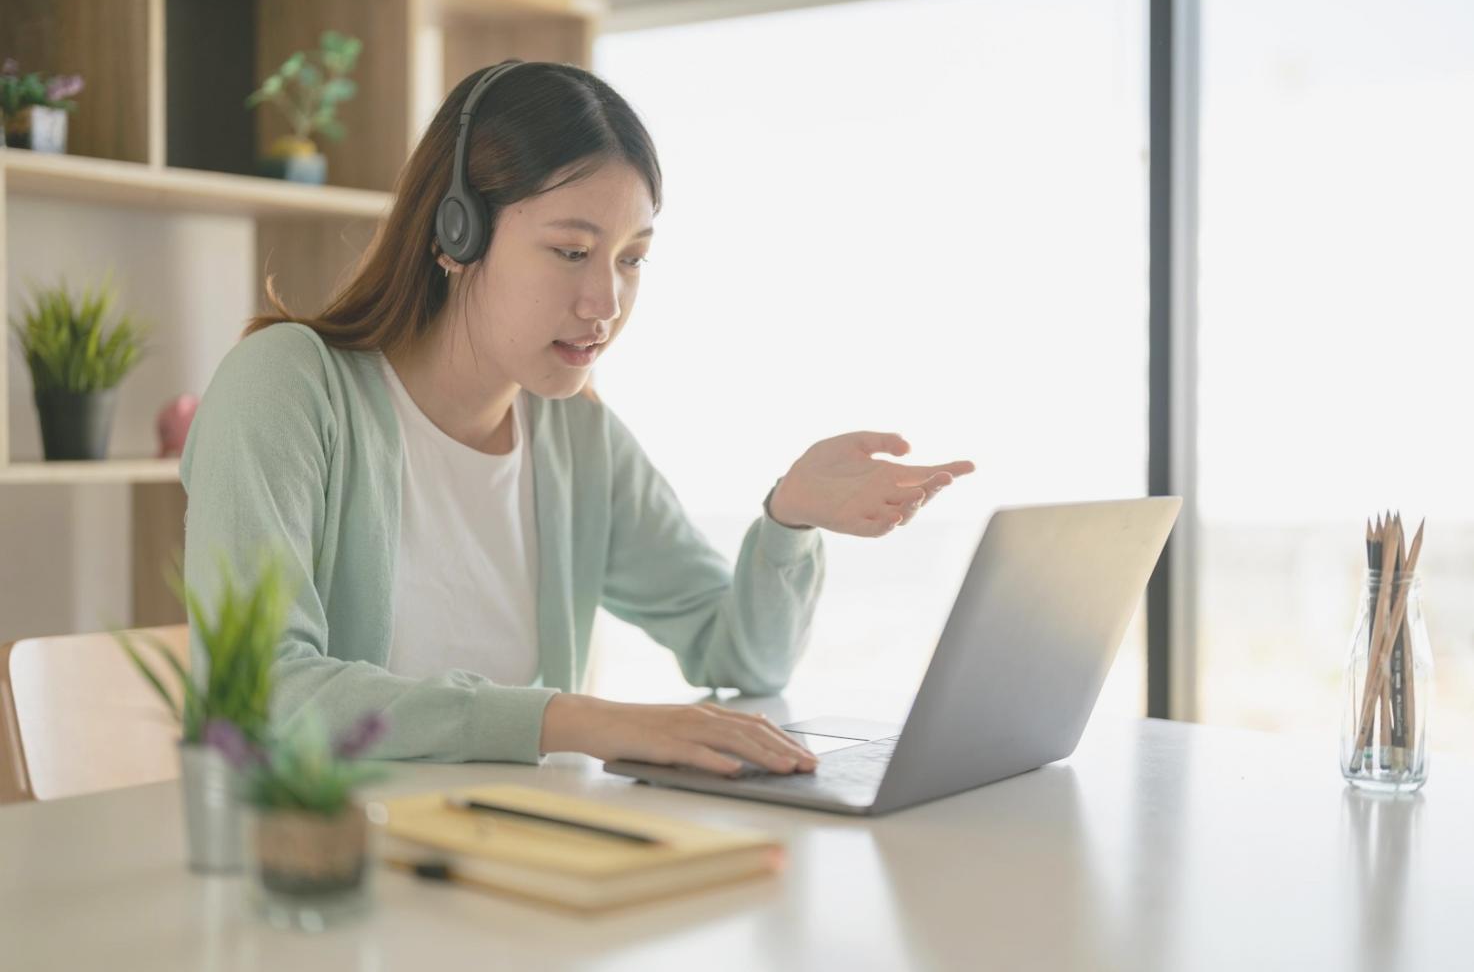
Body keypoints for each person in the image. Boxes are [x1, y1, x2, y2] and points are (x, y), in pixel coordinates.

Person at [181, 60, 975, 777]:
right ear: (455, 232)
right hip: (318, 883)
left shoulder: (575, 438)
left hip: (512, 872)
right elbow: (259, 691)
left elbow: (741, 653)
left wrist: (789, 522)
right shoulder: (287, 387)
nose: (606, 305)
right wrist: (574, 719)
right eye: (570, 252)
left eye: (631, 258)